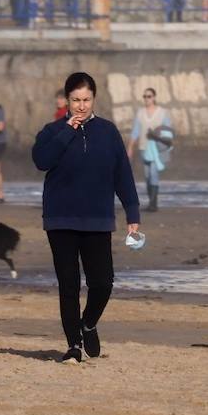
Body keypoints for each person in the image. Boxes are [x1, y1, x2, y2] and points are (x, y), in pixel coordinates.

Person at [32, 72, 140, 364]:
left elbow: (123, 175)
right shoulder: (52, 131)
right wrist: (68, 129)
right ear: (67, 100)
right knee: (69, 286)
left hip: (98, 220)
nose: (81, 105)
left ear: (94, 99)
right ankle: (73, 346)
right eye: (76, 100)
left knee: (102, 283)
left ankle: (88, 323)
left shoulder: (108, 132)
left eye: (86, 99)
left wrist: (133, 213)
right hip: (60, 219)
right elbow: (42, 161)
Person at [129, 87, 173, 213]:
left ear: (154, 97)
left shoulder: (162, 113)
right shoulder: (140, 113)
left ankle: (154, 204)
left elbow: (168, 131)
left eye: (149, 96)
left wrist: (164, 143)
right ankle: (150, 201)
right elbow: (135, 131)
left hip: (157, 149)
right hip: (143, 148)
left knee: (154, 174)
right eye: (145, 96)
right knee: (147, 176)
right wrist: (130, 148)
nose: (146, 99)